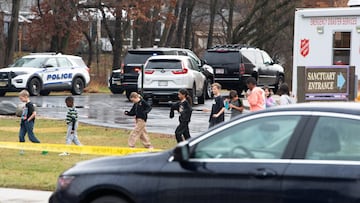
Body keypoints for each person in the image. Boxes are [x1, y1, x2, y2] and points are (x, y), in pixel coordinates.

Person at [18, 90, 45, 155]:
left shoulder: (30, 105)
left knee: (31, 137)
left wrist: (28, 120)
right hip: (23, 123)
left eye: (21, 98)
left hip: (28, 123)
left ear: (26, 97)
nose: (21, 100)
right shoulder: (26, 105)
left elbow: (34, 113)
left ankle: (43, 148)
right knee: (21, 136)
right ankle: (22, 150)